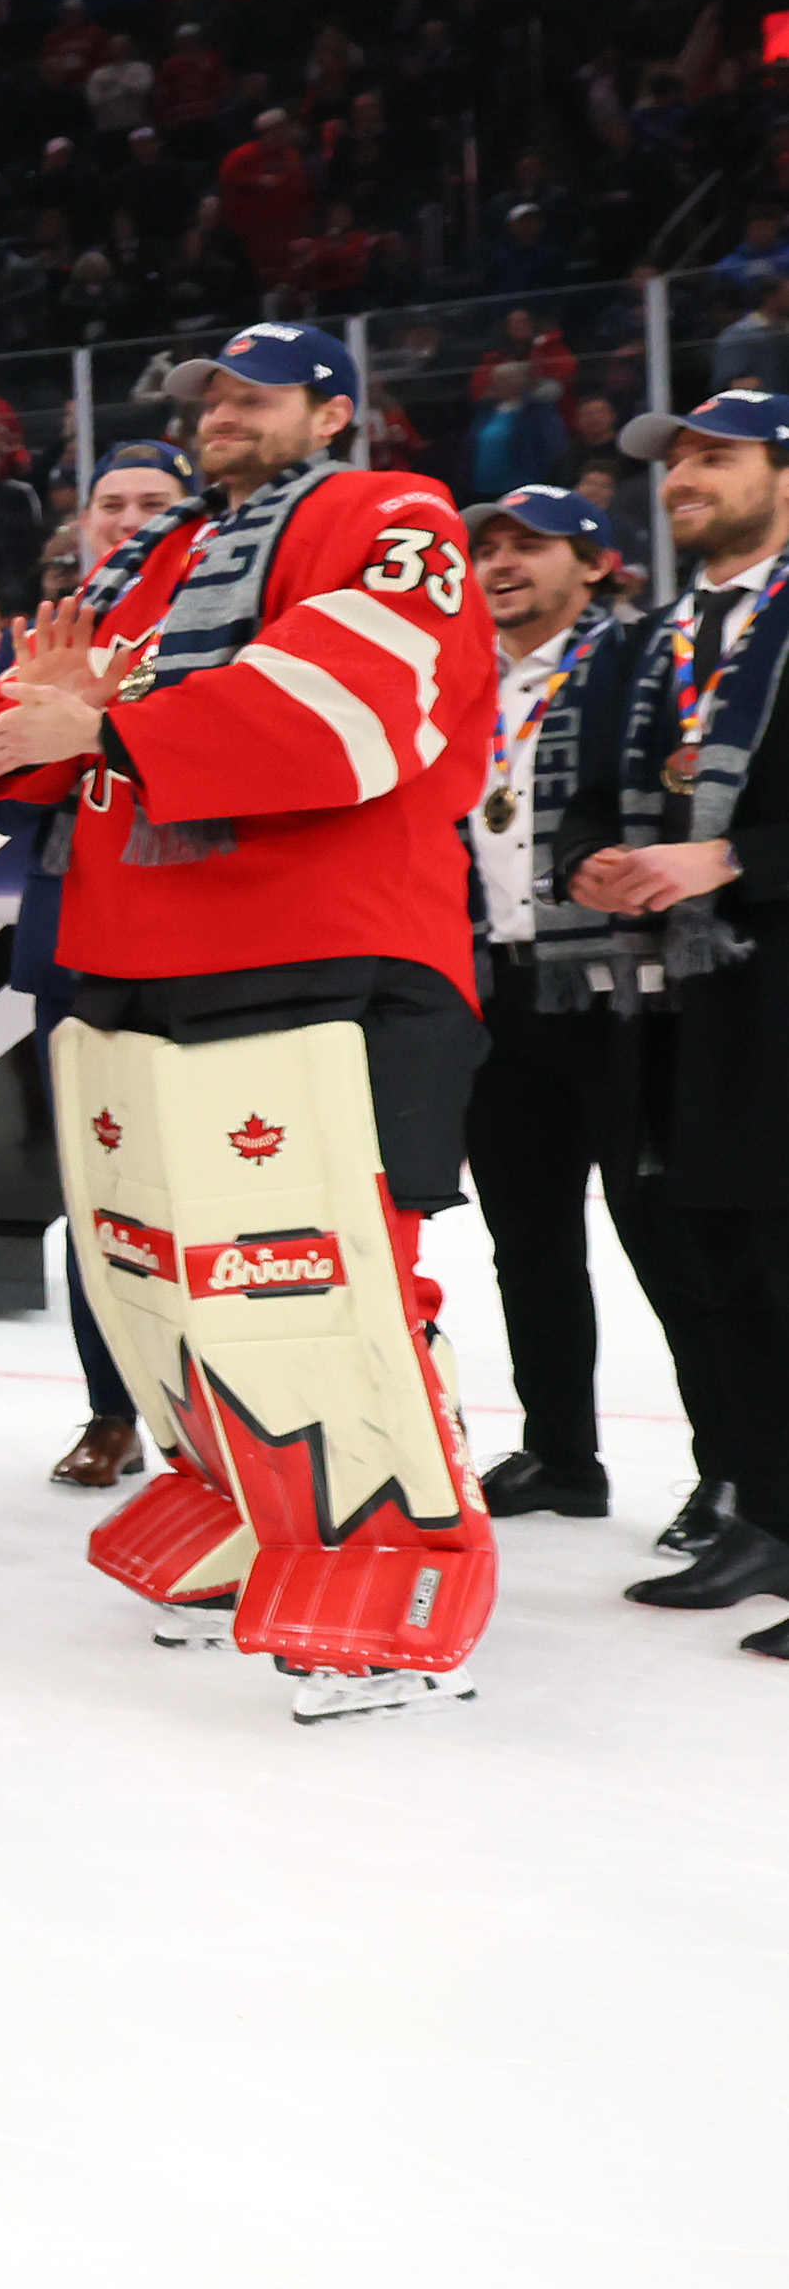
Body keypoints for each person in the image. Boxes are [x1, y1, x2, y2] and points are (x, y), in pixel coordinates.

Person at [0, 324, 497, 1713]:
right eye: (208, 399)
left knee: (320, 1282)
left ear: (331, 409)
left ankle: (390, 1550)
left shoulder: (391, 513)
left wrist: (108, 724)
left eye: (252, 397)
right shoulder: (165, 560)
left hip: (324, 958)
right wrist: (30, 723)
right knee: (164, 1277)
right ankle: (250, 1501)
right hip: (143, 961)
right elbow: (70, 749)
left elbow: (349, 700)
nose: (220, 417)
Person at [541, 388, 789, 1645]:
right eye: (675, 459)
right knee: (726, 1270)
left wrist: (729, 858)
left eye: (715, 456)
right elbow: (585, 796)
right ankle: (769, 1516)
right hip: (674, 1002)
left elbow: (732, 839)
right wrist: (589, 861)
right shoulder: (646, 642)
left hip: (770, 983)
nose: (685, 474)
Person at [450, 486, 644, 1522]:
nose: (501, 561)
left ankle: (737, 1474)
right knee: (525, 1238)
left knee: (669, 1236)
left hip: (617, 986)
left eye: (531, 544)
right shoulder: (460, 683)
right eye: (488, 547)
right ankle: (561, 1453)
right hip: (495, 985)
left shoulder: (635, 660)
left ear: (596, 561)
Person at [13, 443, 203, 1492]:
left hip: (195, 940)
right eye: (110, 504)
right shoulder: (53, 627)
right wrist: (45, 717)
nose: (128, 520)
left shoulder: (217, 624)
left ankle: (217, 1414)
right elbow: (0, 797)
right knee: (99, 1195)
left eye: (154, 506)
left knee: (208, 1190)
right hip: (76, 949)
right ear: (80, 520)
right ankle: (109, 1410)